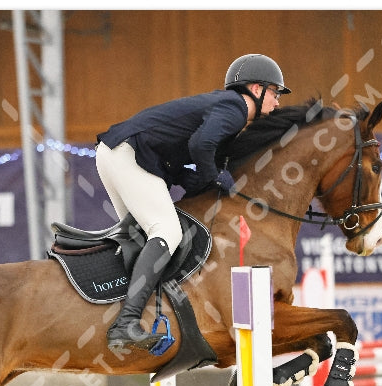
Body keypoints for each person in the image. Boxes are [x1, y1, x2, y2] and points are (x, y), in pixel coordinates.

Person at [95, 54, 290, 352]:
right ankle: (125, 323)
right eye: (275, 93)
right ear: (255, 88)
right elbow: (201, 145)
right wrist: (214, 177)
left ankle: (114, 309)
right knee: (167, 233)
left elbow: (186, 152)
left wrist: (201, 177)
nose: (277, 102)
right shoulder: (235, 107)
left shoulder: (225, 109)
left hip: (116, 153)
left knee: (143, 236)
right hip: (126, 154)